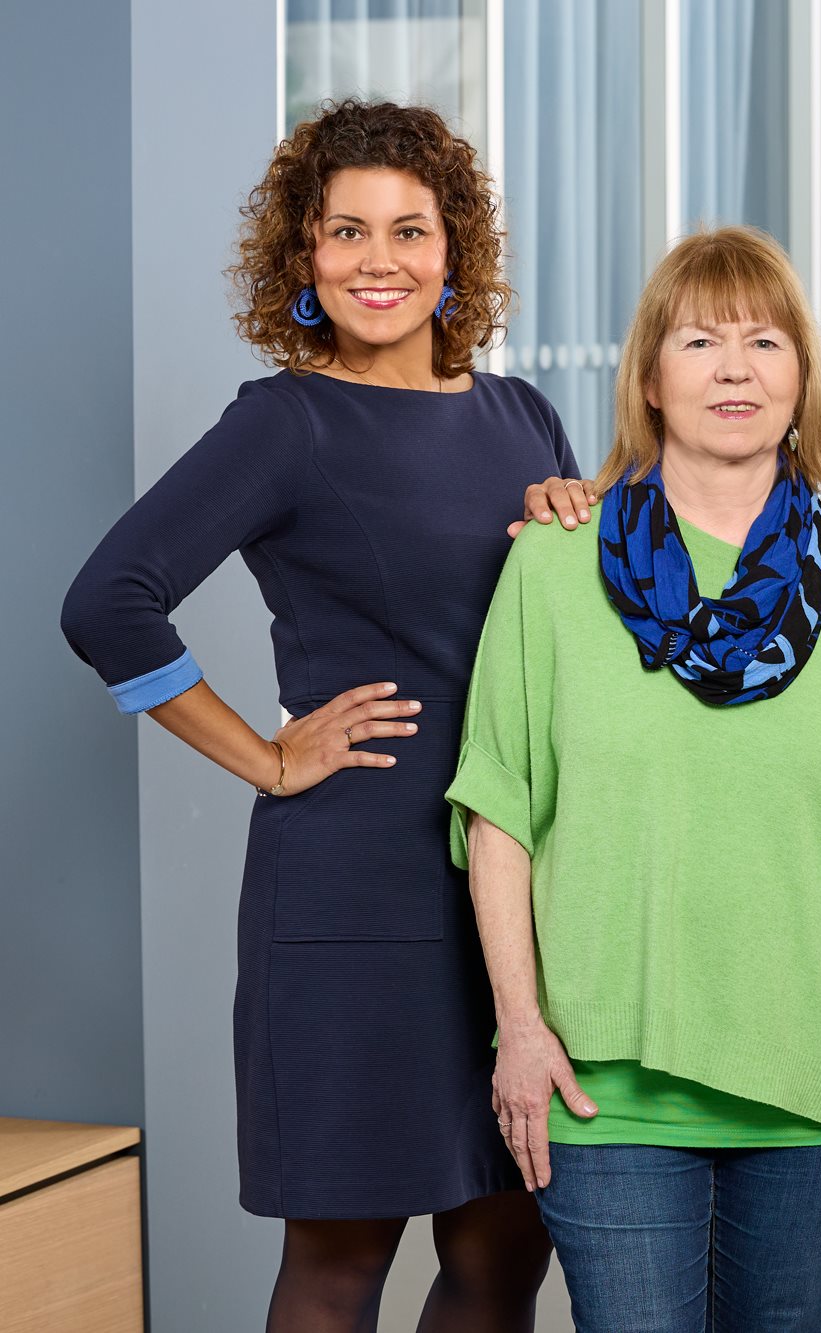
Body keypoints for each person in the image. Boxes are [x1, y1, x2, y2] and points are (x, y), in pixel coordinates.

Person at [60, 100, 574, 1330]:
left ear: (456, 254)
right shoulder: (286, 422)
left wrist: (589, 527)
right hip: (356, 894)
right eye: (346, 232)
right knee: (343, 1260)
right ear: (304, 256)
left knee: (507, 1255)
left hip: (516, 889)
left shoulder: (522, 418)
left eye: (410, 230)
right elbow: (107, 601)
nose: (379, 261)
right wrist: (267, 759)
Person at [446, 224, 821, 1333]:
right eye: (699, 341)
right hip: (603, 1080)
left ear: (801, 380)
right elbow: (499, 806)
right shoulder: (551, 564)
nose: (734, 368)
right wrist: (518, 1027)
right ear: (649, 378)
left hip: (809, 1071)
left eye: (764, 341)